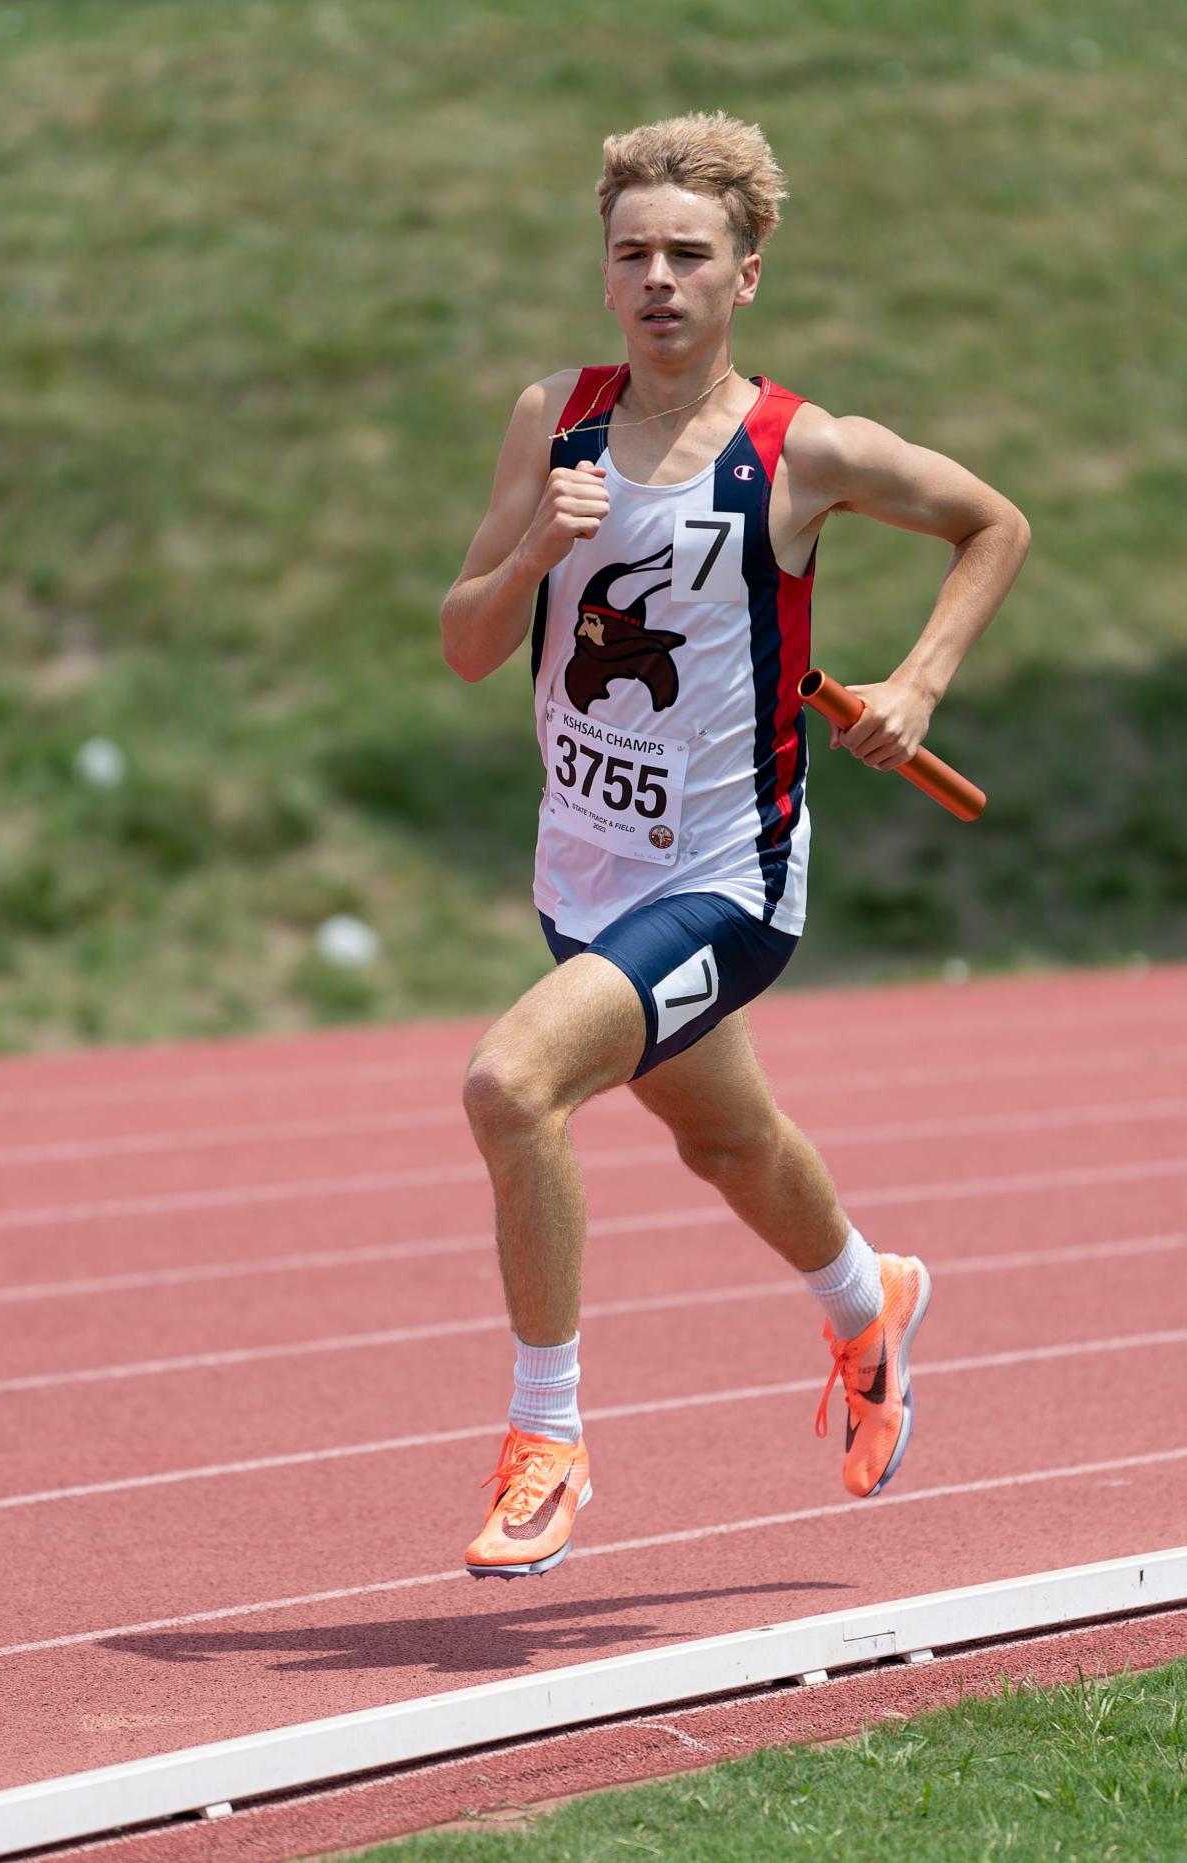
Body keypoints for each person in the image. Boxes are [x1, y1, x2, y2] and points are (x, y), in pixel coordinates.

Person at [439, 111, 1030, 1580]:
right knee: (724, 1139)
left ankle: (545, 1440)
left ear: (744, 274)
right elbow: (463, 647)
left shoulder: (801, 450)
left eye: (687, 255)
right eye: (630, 252)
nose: (656, 281)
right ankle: (866, 1297)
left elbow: (990, 523)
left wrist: (914, 685)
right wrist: (529, 553)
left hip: (724, 881)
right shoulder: (551, 421)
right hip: (580, 873)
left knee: (512, 1088)